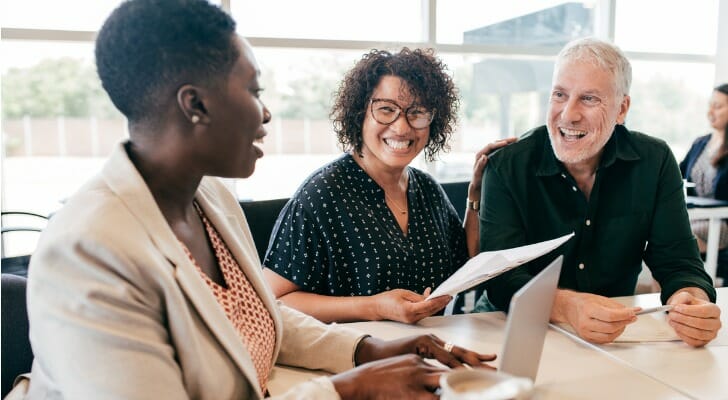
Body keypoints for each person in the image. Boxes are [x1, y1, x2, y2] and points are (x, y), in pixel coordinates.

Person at [15, 1, 497, 399]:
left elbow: (261, 314)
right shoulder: (87, 247)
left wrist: (371, 351)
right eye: (252, 89)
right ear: (195, 104)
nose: (265, 113)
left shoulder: (212, 198)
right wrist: (346, 389)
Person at [474, 37, 721, 347]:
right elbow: (501, 277)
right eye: (560, 94)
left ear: (622, 109)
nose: (568, 114)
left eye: (589, 99)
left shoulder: (655, 161)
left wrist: (690, 300)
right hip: (511, 323)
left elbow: (679, 262)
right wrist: (566, 306)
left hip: (612, 331)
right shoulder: (507, 165)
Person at [263, 47, 514, 324]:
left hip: (429, 349)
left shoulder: (427, 189)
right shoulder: (321, 195)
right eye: (386, 110)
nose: (402, 128)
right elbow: (275, 300)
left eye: (417, 113)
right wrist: (374, 307)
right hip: (353, 356)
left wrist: (476, 193)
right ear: (360, 114)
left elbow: (466, 262)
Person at [680, 84, 728, 257]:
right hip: (696, 216)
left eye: (718, 106)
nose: (710, 112)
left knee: (674, 242)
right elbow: (676, 175)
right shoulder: (701, 143)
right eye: (710, 105)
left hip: (722, 222)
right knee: (660, 238)